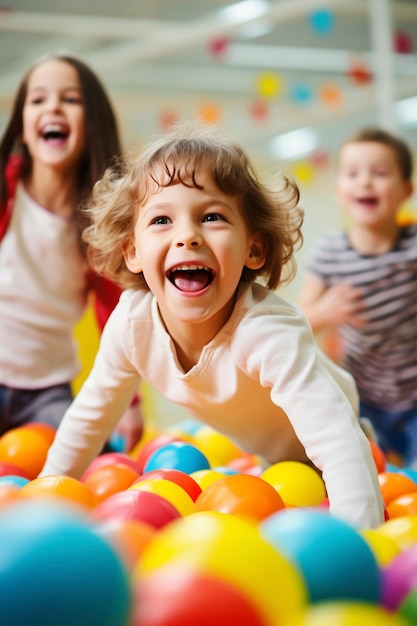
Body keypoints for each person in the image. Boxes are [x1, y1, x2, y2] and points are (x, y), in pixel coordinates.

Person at [40, 123, 384, 529]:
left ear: (253, 248)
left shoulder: (266, 332)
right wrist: (45, 497)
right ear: (132, 251)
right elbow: (89, 418)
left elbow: (336, 439)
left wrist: (363, 542)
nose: (187, 236)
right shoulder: (133, 325)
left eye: (212, 217)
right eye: (161, 220)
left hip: (349, 440)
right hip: (274, 463)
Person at [0, 50, 144, 450]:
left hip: (47, 390)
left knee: (90, 459)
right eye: (38, 99)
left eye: (70, 99)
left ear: (92, 124)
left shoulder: (101, 218)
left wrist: (129, 402)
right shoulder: (6, 189)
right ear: (24, 127)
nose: (53, 107)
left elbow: (116, 314)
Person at [298, 127, 416, 468]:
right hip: (362, 397)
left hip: (414, 397)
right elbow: (298, 324)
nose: (364, 182)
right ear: (339, 191)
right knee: (360, 468)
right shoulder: (330, 254)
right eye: (352, 173)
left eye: (379, 173)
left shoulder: (412, 245)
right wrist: (324, 312)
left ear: (405, 190)